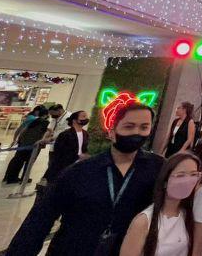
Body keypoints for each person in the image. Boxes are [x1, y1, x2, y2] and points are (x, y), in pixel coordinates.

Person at [8, 102, 163, 255]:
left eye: (144, 127)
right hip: (75, 248)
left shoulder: (157, 168)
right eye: (129, 126)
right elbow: (40, 221)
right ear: (112, 132)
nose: (137, 132)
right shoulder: (80, 172)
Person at [120, 152, 200, 256]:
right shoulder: (144, 221)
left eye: (194, 174)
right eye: (180, 175)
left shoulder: (187, 215)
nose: (187, 180)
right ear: (165, 181)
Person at [38, 110, 89, 198]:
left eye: (86, 116)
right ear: (74, 120)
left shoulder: (86, 134)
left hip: (76, 168)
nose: (86, 118)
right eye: (83, 116)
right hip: (62, 168)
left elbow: (84, 149)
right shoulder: (65, 135)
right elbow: (59, 154)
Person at [4, 105, 48, 184]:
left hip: (24, 142)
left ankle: (9, 177)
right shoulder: (39, 121)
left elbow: (22, 129)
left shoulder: (30, 118)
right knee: (28, 161)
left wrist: (16, 139)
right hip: (32, 144)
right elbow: (46, 132)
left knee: (17, 160)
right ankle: (23, 178)